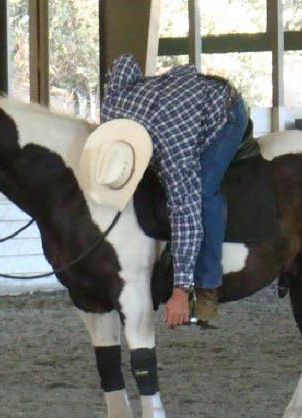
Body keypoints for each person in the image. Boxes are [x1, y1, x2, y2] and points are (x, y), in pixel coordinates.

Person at [101, 54, 248, 328]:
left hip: (224, 108)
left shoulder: (173, 151)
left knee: (204, 192)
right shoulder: (110, 109)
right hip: (179, 97)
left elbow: (186, 215)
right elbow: (124, 63)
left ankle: (207, 286)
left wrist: (181, 289)